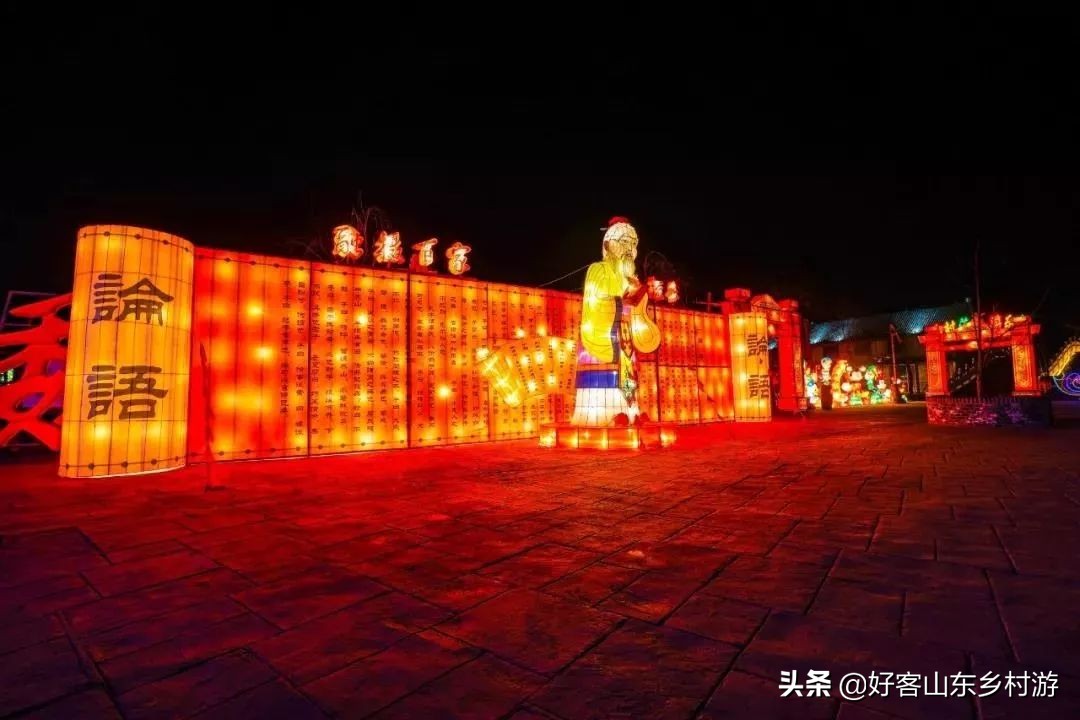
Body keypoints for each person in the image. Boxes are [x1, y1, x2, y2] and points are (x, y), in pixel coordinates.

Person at [571, 217, 660, 426]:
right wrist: (622, 299)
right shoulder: (598, 269)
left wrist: (639, 297)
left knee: (627, 376)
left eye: (633, 243)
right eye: (624, 242)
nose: (629, 249)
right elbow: (597, 298)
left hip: (624, 340)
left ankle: (630, 412)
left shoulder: (631, 278)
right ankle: (601, 417)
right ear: (608, 245)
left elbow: (636, 310)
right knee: (603, 380)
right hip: (602, 339)